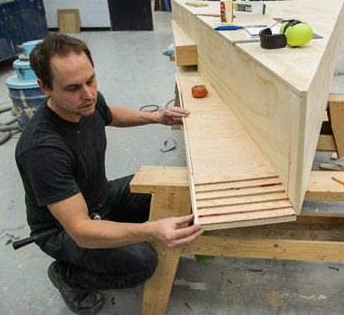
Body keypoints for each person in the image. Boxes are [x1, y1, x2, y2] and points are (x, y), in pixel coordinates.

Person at [15, 33, 203, 314]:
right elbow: (81, 230)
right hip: (62, 230)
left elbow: (109, 114)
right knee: (142, 261)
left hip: (100, 199)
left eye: (91, 80)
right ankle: (67, 274)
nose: (88, 94)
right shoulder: (42, 149)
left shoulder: (86, 102)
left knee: (179, 188)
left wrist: (157, 116)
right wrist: (151, 230)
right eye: (73, 87)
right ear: (45, 88)